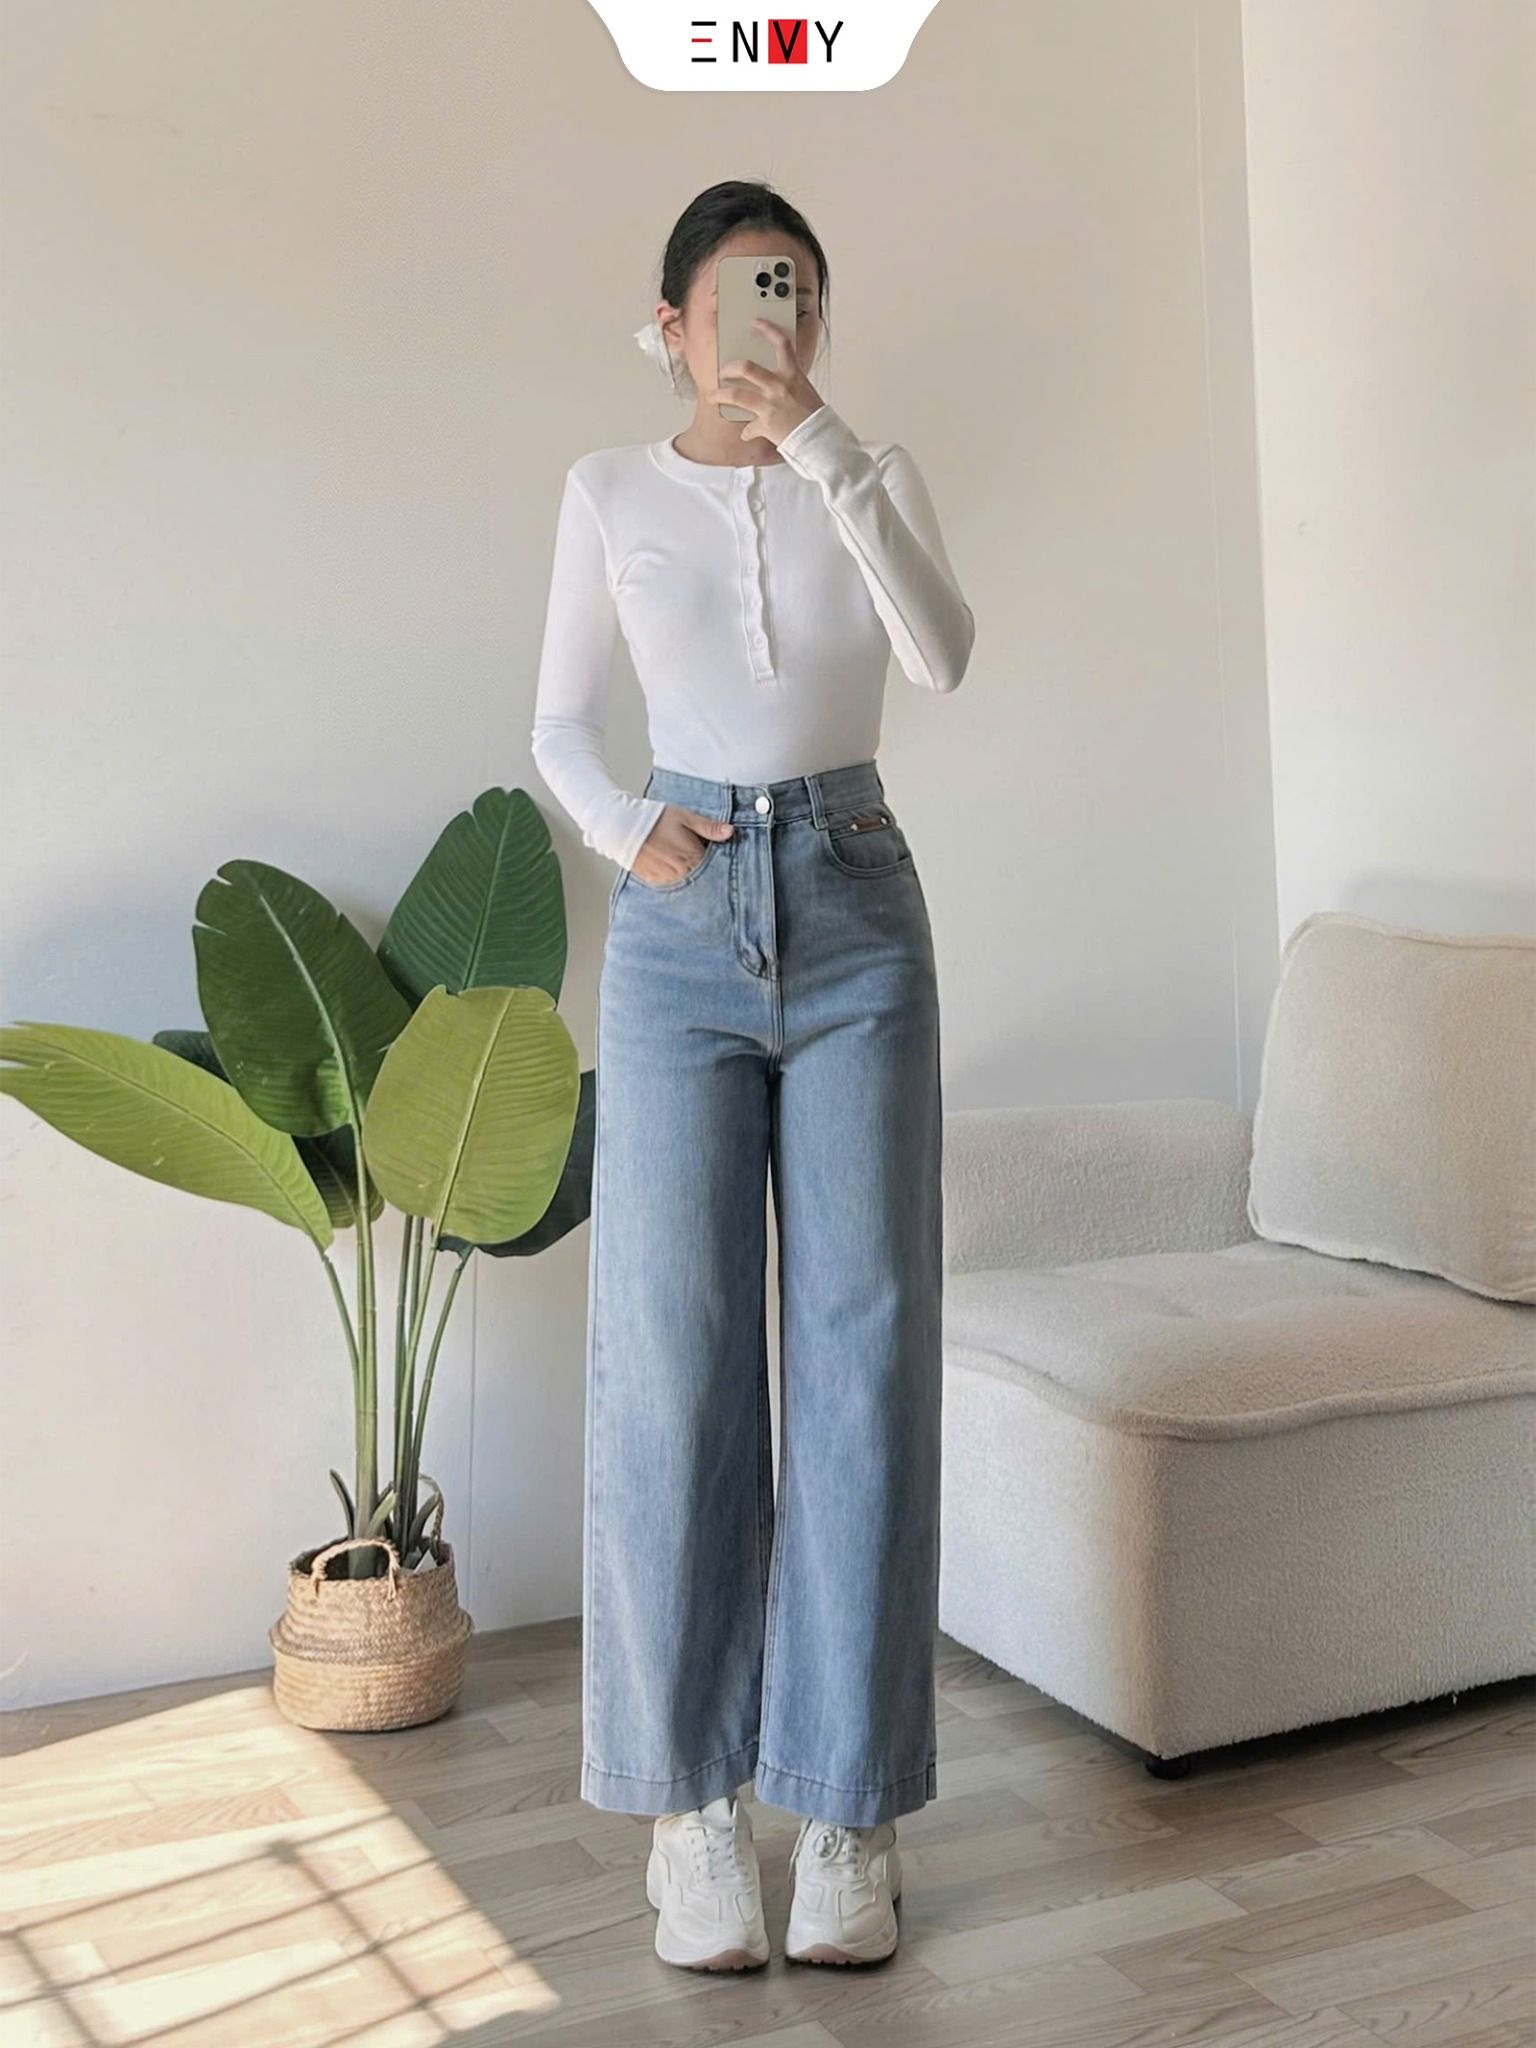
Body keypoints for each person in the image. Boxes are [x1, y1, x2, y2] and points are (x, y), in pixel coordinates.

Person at [529, 178, 975, 1971]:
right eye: (732, 302)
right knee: (676, 1353)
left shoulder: (868, 473)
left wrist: (829, 451)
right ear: (670, 328)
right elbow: (559, 724)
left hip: (858, 900)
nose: (765, 331)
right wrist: (627, 832)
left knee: (866, 1349)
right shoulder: (608, 491)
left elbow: (941, 653)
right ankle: (691, 1812)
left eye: (794, 296)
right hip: (682, 919)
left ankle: (851, 1812)